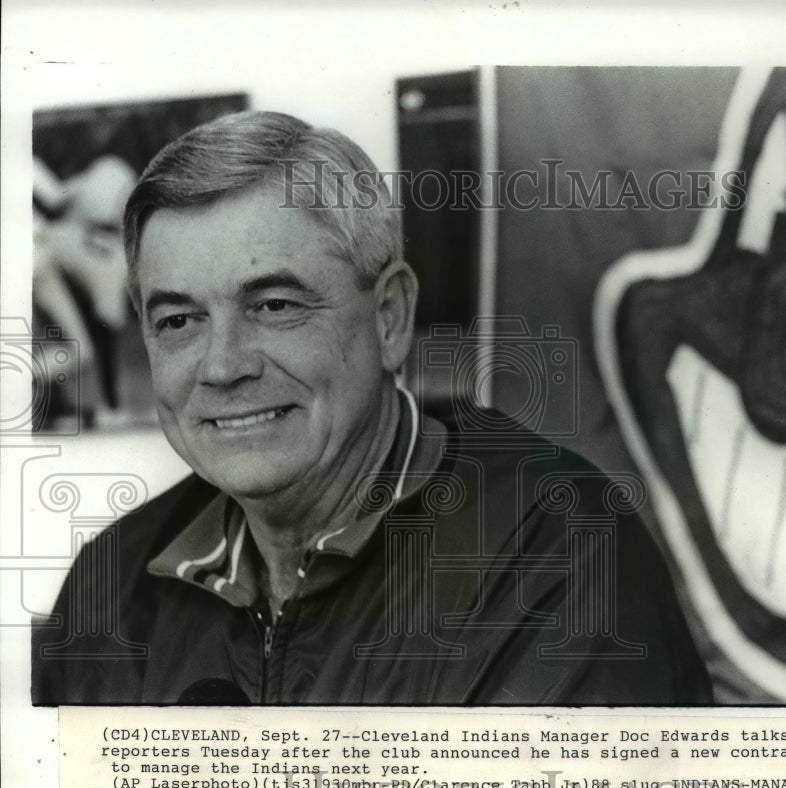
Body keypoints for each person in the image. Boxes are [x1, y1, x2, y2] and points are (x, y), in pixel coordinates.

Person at [31, 111, 711, 705]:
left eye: (274, 306)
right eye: (178, 320)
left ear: (389, 317)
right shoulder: (110, 587)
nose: (222, 366)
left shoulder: (556, 549)